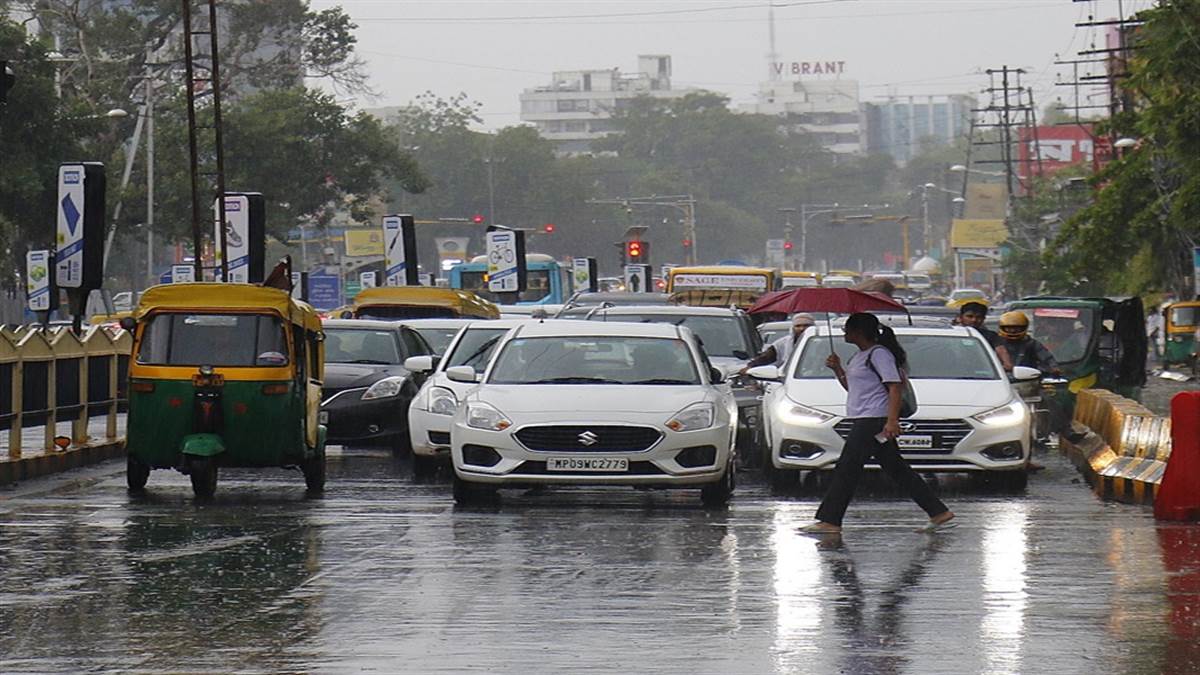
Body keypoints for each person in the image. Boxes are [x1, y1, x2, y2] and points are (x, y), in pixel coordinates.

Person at [801, 312, 955, 534]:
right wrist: (837, 370)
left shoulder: (879, 354)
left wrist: (892, 421)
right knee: (897, 469)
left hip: (873, 420)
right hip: (863, 416)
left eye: (847, 329)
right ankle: (938, 512)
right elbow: (853, 388)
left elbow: (894, 387)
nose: (844, 333)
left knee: (847, 468)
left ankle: (830, 520)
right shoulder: (859, 356)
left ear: (859, 332)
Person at [744, 313, 816, 370]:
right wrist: (750, 366)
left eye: (806, 325)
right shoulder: (782, 343)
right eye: (798, 326)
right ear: (793, 327)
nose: (802, 328)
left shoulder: (822, 343)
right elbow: (766, 357)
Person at [958, 302, 1014, 371]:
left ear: (983, 319)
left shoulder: (991, 336)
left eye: (978, 317)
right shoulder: (952, 334)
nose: (974, 320)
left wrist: (1007, 364)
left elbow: (1001, 350)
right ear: (960, 317)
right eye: (970, 316)